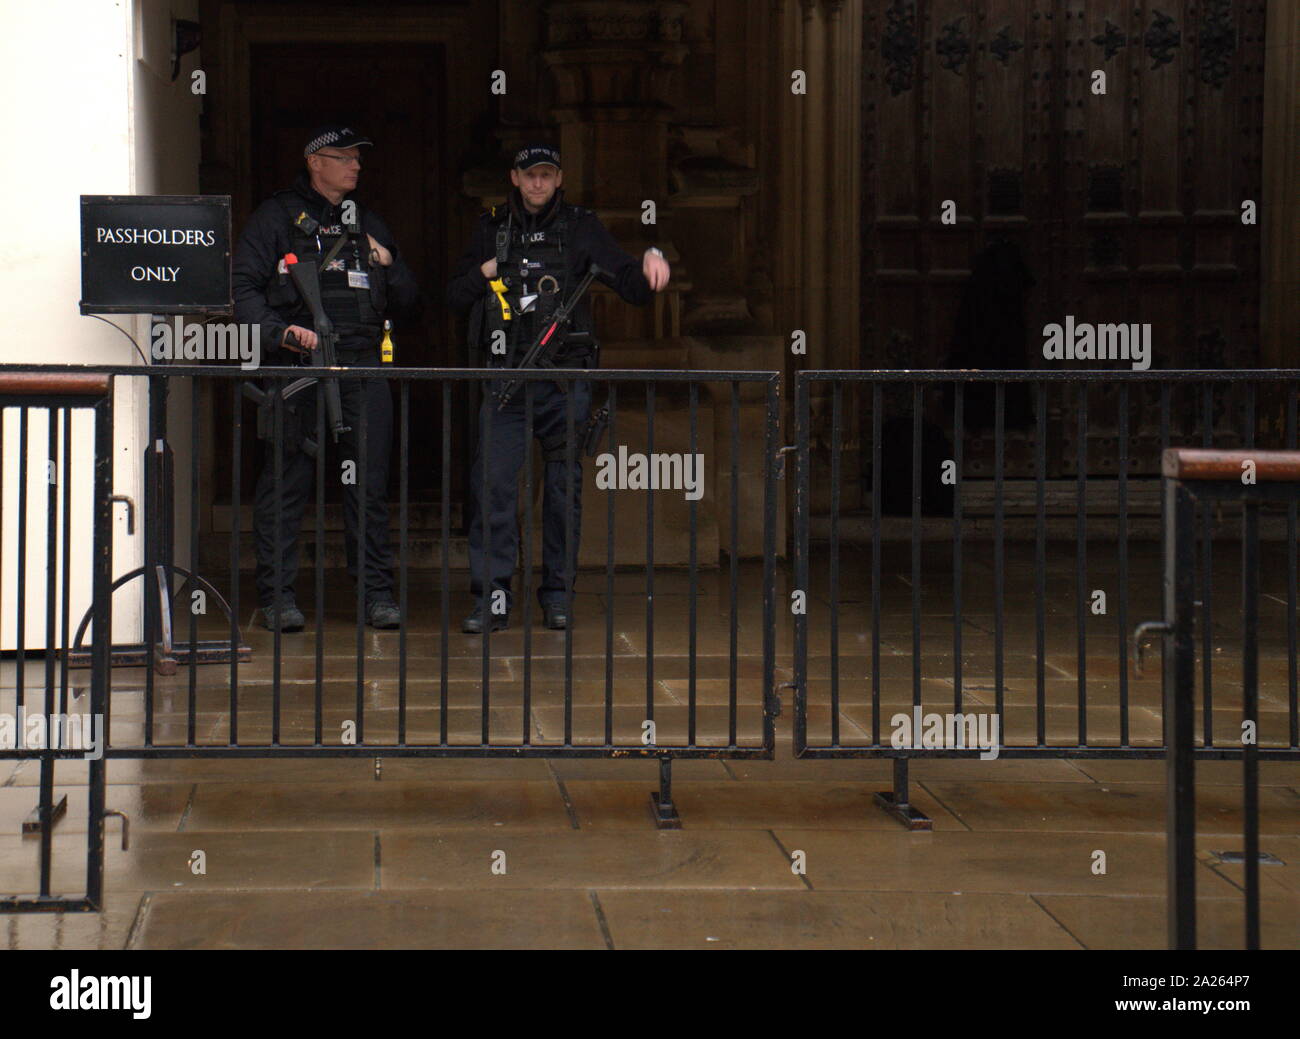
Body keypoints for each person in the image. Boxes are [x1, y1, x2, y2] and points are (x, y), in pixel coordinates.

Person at [446, 143, 670, 632]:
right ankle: (493, 597)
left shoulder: (580, 228)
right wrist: (485, 273)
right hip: (505, 379)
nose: (538, 184)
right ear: (515, 177)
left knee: (563, 492)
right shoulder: (491, 228)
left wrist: (652, 266)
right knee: (495, 487)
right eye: (530, 176)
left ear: (559, 178)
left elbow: (628, 282)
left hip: (563, 381)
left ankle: (557, 594)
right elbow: (454, 295)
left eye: (546, 175)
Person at [233, 124, 419, 631]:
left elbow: (409, 301)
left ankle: (376, 596)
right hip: (299, 370)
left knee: (369, 487)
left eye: (359, 158)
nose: (355, 165)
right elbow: (241, 289)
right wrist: (279, 332)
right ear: (315, 162)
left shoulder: (369, 222)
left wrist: (391, 261)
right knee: (286, 483)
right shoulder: (275, 217)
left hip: (362, 366)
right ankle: (276, 598)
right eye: (344, 157)